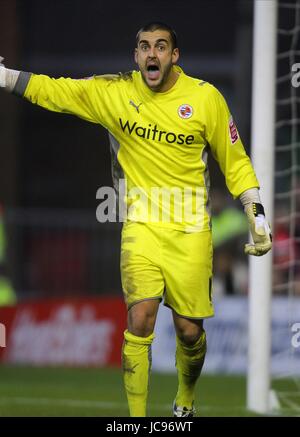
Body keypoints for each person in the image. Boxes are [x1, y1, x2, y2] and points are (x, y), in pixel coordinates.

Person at [0, 22, 272, 417]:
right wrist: (6, 77)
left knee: (189, 332)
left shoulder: (205, 98)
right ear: (136, 56)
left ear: (174, 56)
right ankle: (137, 420)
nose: (151, 54)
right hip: (141, 225)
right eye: (144, 47)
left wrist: (256, 213)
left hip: (191, 229)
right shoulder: (116, 92)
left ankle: (186, 399)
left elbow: (235, 162)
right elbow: (57, 90)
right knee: (140, 319)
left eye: (160, 47)